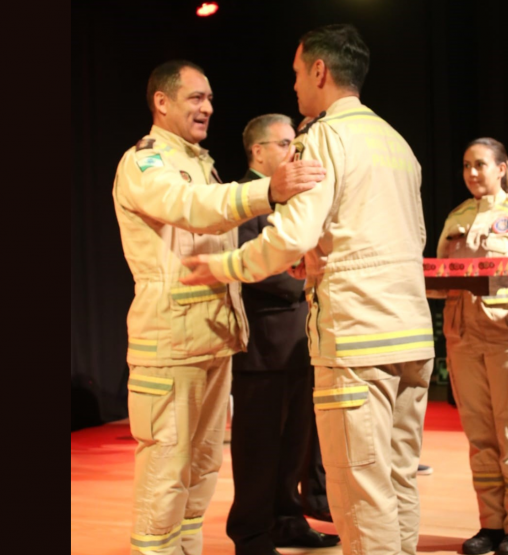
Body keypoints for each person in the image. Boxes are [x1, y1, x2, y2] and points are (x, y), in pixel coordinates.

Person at [181, 24, 435, 555]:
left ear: (320, 71)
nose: (295, 85)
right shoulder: (397, 141)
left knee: (362, 496)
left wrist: (222, 265)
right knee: (396, 482)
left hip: (358, 342)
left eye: (297, 73)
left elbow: (291, 235)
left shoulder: (323, 137)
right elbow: (411, 235)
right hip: (413, 337)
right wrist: (319, 256)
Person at [111, 59, 326, 555]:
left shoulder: (200, 161)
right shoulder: (145, 162)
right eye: (195, 98)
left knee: (203, 466)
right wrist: (267, 191)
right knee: (167, 466)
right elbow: (188, 207)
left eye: (209, 98)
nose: (207, 107)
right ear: (161, 102)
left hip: (212, 336)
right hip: (168, 341)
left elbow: (220, 243)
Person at [432, 138, 508, 555]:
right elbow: (440, 271)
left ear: (501, 168)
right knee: (480, 440)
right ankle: (491, 526)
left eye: (480, 165)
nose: (471, 173)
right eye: (466, 165)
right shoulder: (457, 216)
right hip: (463, 342)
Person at [225, 113, 339, 555]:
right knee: (258, 451)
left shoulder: (289, 201)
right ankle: (251, 536)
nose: (295, 152)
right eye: (285, 144)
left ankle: (287, 521)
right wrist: (310, 276)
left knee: (295, 443)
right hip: (262, 350)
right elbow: (254, 269)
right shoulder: (240, 200)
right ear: (258, 151)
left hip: (297, 345)